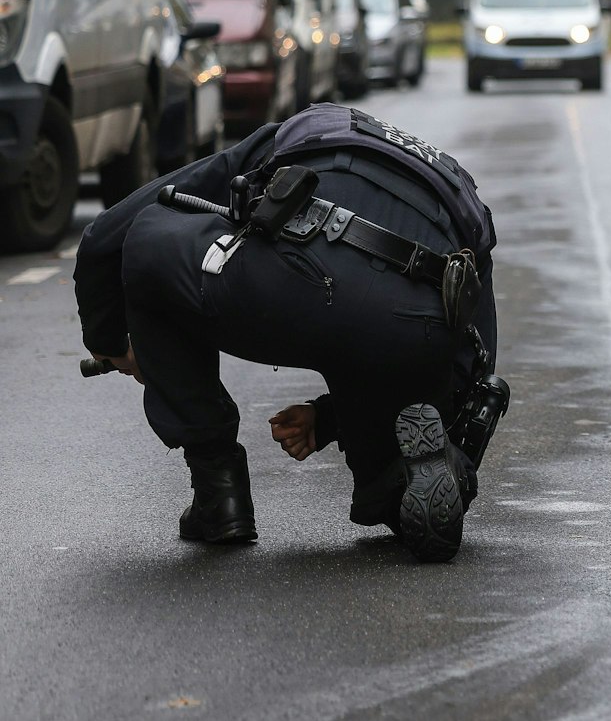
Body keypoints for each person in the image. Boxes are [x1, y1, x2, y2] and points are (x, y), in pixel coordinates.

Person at [73, 104, 505, 564]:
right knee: (388, 474)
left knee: (150, 235)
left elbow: (106, 236)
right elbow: (477, 351)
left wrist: (112, 342)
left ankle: (218, 491)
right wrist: (329, 419)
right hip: (417, 329)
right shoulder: (453, 181)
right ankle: (410, 480)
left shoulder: (294, 135)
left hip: (303, 285)